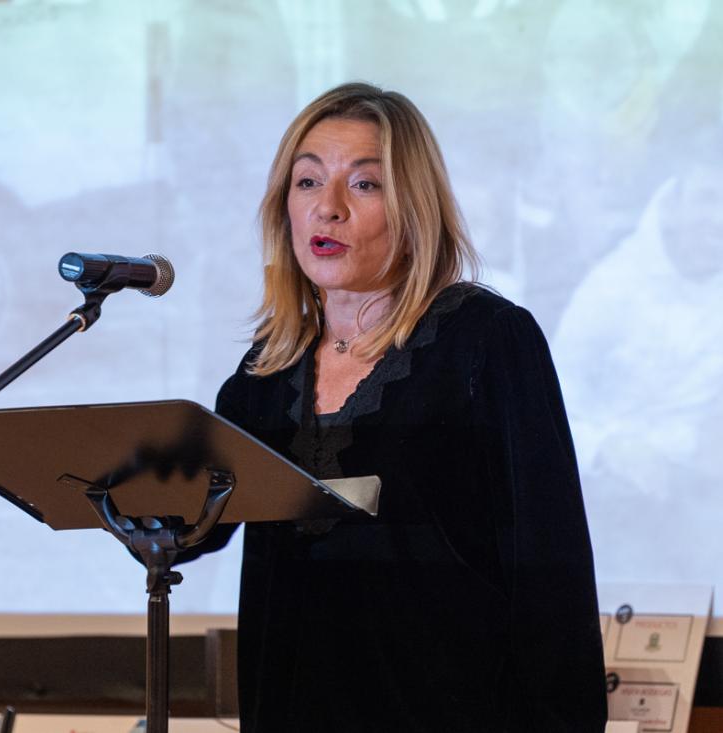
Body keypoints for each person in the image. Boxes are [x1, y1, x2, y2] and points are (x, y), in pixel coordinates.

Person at [191, 82, 607, 731]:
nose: (327, 208)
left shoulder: (486, 342)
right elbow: (191, 528)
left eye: (364, 185)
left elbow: (550, 566)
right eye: (307, 182)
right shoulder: (264, 372)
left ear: (413, 207)